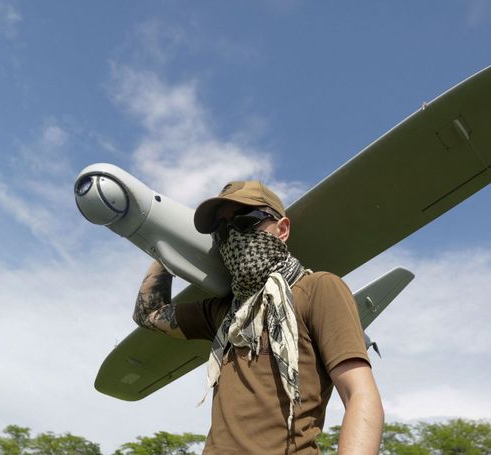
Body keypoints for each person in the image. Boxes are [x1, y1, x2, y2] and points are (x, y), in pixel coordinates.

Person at [133, 180, 384, 454]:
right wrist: (168, 244)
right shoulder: (224, 312)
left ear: (283, 229)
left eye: (245, 220)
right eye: (221, 230)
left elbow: (360, 394)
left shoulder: (316, 289)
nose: (233, 236)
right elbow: (148, 313)